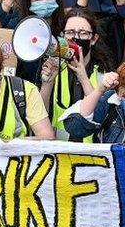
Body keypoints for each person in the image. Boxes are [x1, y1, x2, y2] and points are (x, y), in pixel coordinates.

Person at [41, 8, 116, 140]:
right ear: (63, 36)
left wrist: (83, 78)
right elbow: (40, 114)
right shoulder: (54, 66)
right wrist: (47, 84)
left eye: (83, 33)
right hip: (60, 150)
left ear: (93, 39)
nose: (75, 38)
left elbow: (103, 115)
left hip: (92, 152)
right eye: (70, 33)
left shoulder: (104, 72)